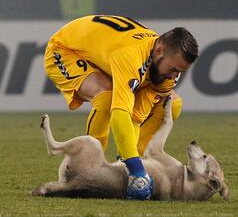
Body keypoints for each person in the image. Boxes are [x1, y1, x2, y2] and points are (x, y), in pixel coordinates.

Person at [44, 15, 199, 199]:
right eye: (173, 69)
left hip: (104, 55)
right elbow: (120, 113)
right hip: (65, 49)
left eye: (180, 72)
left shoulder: (166, 69)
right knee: (106, 96)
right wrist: (137, 171)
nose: (174, 77)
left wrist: (131, 163)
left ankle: (133, 160)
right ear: (158, 50)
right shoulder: (131, 56)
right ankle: (89, 168)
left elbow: (136, 116)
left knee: (171, 104)